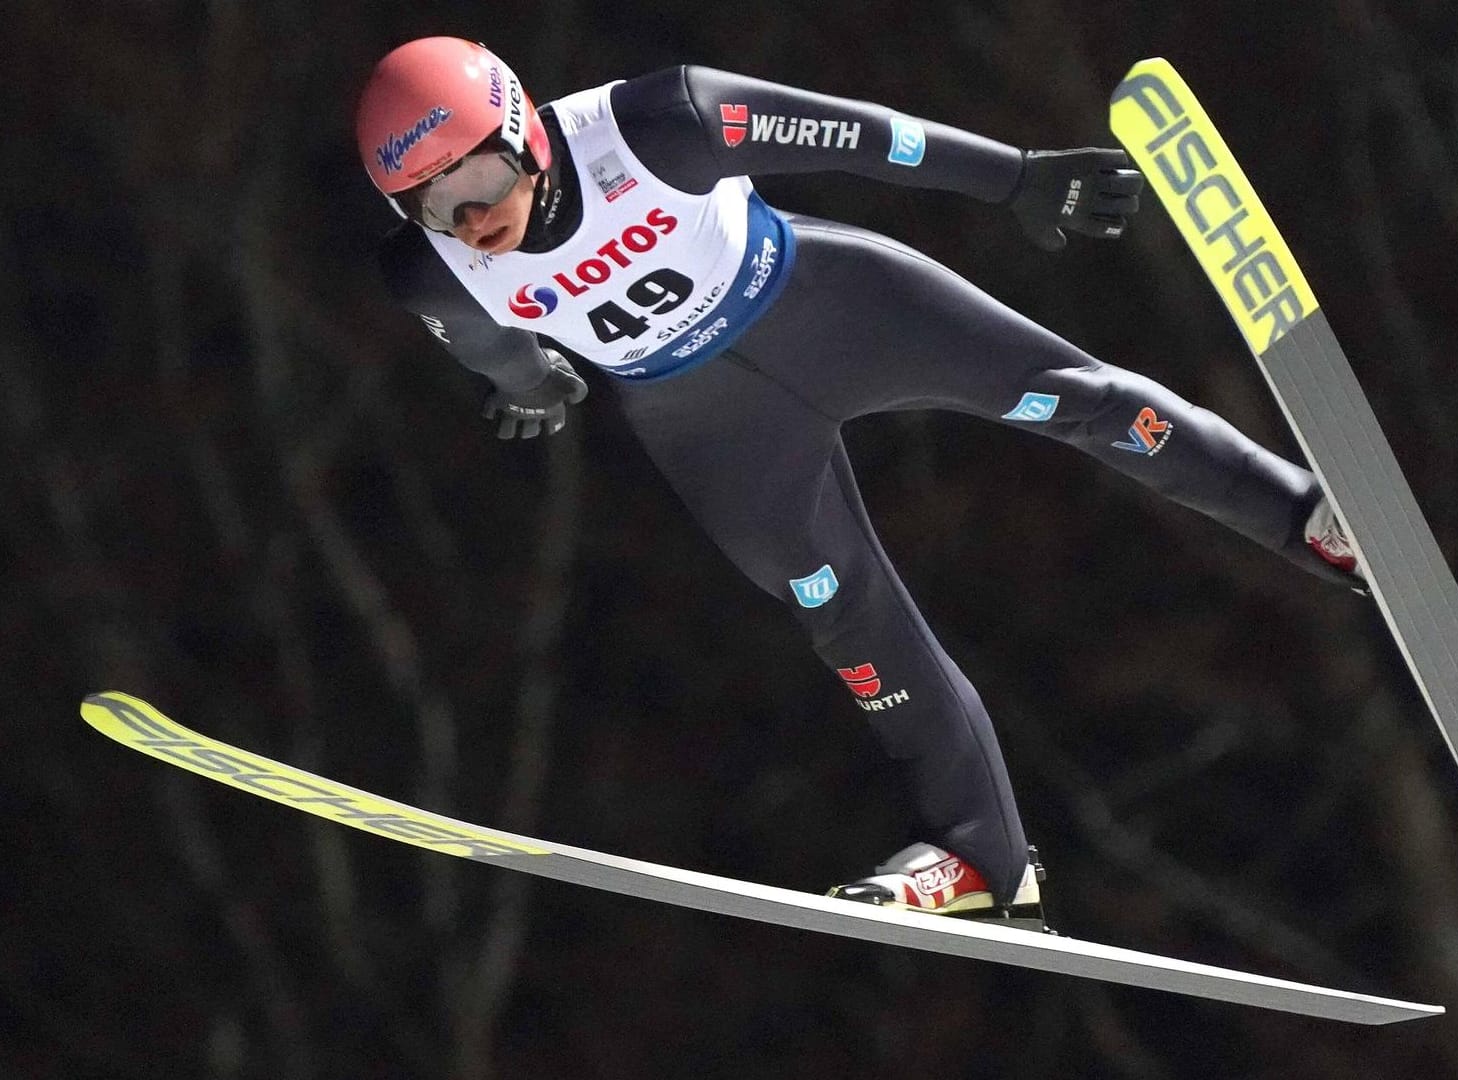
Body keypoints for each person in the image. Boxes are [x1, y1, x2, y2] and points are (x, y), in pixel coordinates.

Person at [355, 37, 1362, 930]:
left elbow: (865, 140)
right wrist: (536, 388)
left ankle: (1305, 517)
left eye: (478, 176)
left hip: (836, 310)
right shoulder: (431, 275)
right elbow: (500, 354)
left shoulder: (660, 123)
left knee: (1078, 400)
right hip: (710, 428)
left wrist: (1015, 179)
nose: (471, 217)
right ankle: (982, 860)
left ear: (524, 130)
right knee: (840, 613)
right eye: (434, 203)